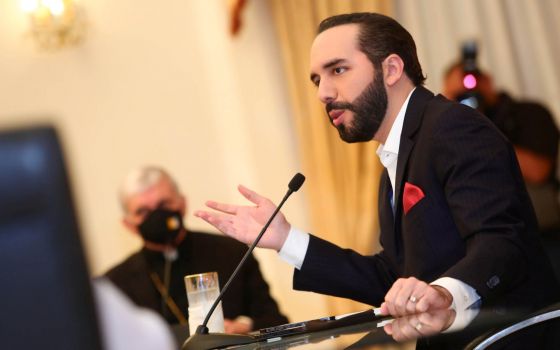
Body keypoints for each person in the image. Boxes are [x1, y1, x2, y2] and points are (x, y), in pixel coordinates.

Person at [195, 12, 559, 323]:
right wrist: (286, 240)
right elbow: (395, 276)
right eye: (317, 80)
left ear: (391, 69)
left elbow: (502, 242)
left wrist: (443, 294)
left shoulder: (451, 128)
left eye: (337, 69)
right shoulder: (395, 157)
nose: (323, 93)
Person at [104, 166, 288, 334]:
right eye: (143, 212)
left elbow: (276, 322)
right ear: (128, 225)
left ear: (182, 204)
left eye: (164, 205)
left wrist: (244, 328)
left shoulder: (231, 252)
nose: (157, 216)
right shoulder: (114, 285)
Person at [443, 61, 560, 233]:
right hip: (484, 237)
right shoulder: (452, 134)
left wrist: (482, 130)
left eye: (471, 88)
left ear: (487, 82)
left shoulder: (528, 113)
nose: (468, 98)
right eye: (459, 96)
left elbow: (538, 171)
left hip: (541, 231)